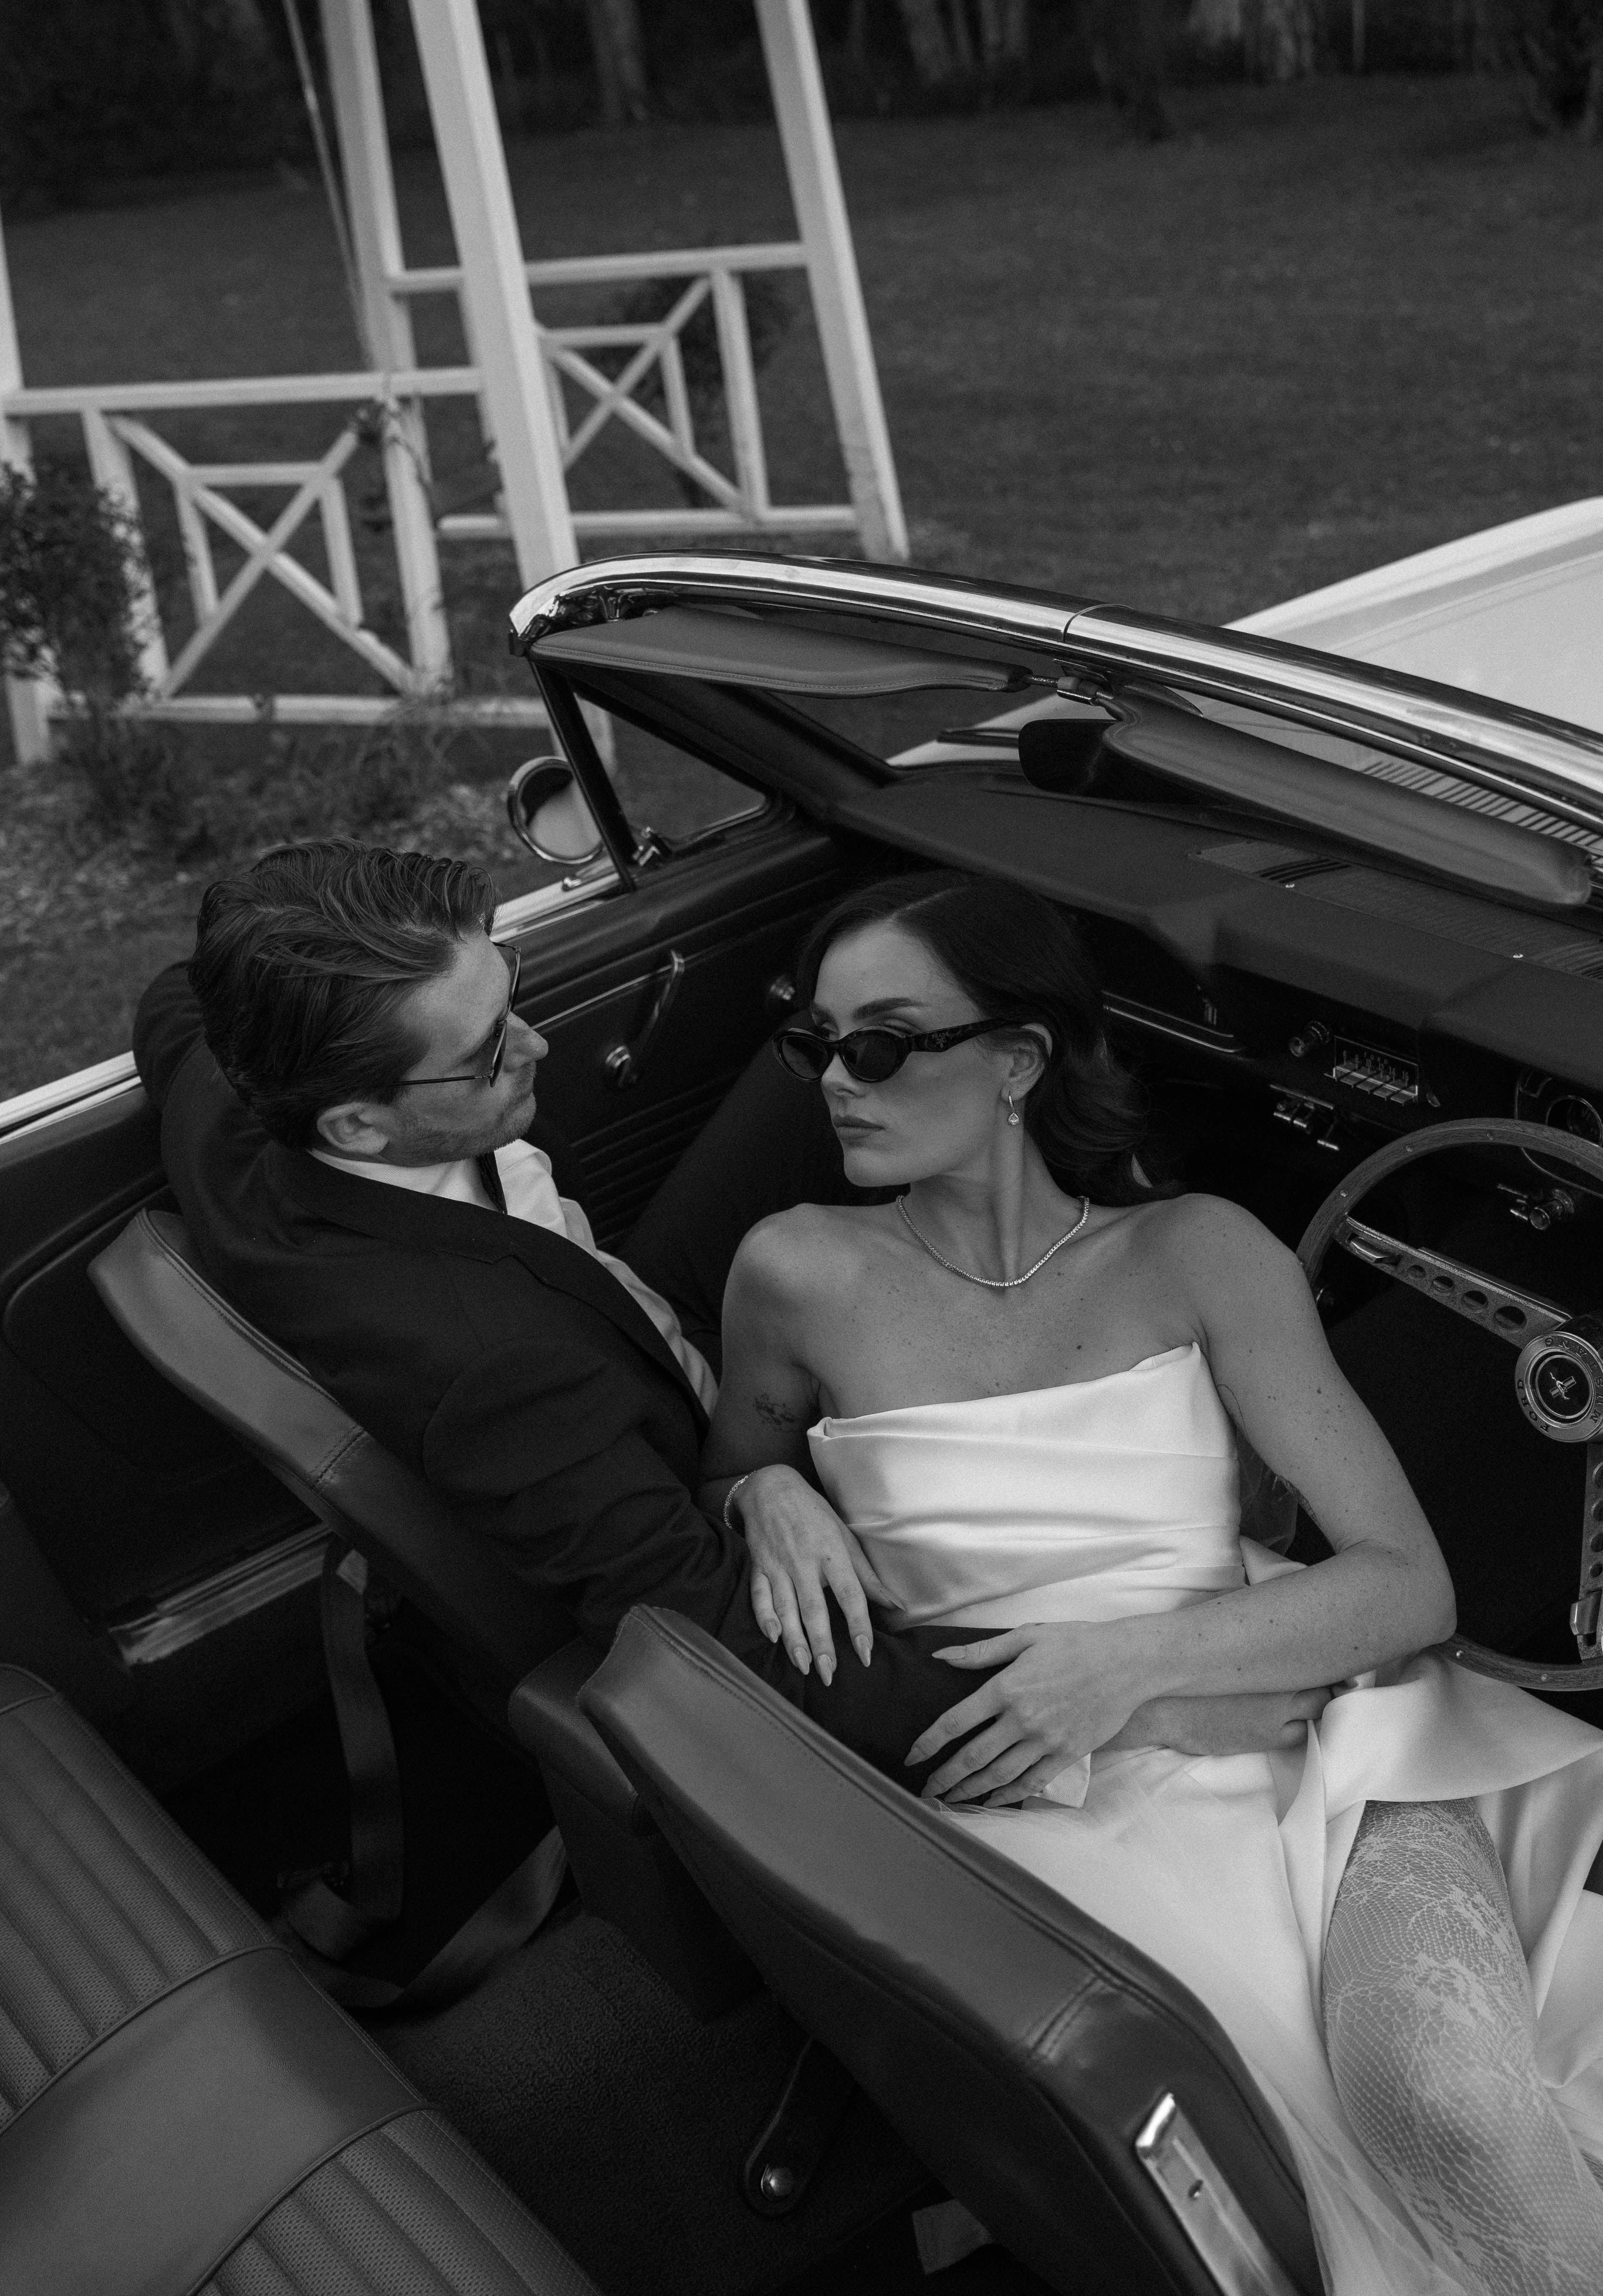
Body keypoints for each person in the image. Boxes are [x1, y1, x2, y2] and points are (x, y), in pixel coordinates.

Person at [702, 867, 1603, 2296]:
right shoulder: (793, 1272)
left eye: (879, 1043)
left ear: (1017, 1058)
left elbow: (1406, 1586)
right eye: (817, 1042)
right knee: (1253, 2158)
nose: (834, 1082)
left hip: (1303, 1737)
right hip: (1023, 1807)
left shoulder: (1200, 1252)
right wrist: (766, 1491)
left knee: (1455, 2108)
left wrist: (1121, 1667)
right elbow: (715, 1485)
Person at [136, 839, 1320, 1788]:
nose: (537, 1042)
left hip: (631, 1306)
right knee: (889, 1065)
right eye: (491, 1051)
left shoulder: (238, 1102)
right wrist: (1133, 1714)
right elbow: (719, 1640)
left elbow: (172, 1000)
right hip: (670, 1402)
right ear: (356, 1126)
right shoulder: (494, 1377)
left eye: (514, 992)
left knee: (855, 1045)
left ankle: (1096, 1196)